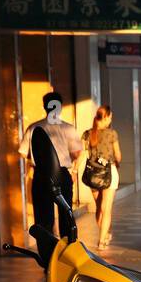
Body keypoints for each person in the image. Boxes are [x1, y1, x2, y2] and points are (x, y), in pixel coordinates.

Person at [18, 90, 83, 236]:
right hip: (62, 173)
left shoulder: (34, 128)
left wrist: (37, 159)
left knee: (43, 217)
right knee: (66, 214)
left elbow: (23, 152)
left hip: (41, 175)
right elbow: (78, 153)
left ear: (44, 106)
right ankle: (67, 250)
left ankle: (47, 251)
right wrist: (74, 170)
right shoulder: (68, 128)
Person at [81, 105, 122, 248]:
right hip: (108, 173)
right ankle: (102, 240)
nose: (111, 120)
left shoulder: (87, 133)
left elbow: (81, 154)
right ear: (105, 117)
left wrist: (74, 170)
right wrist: (118, 163)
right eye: (110, 117)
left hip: (92, 174)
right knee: (107, 209)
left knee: (99, 208)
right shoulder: (112, 134)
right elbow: (118, 155)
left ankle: (104, 234)